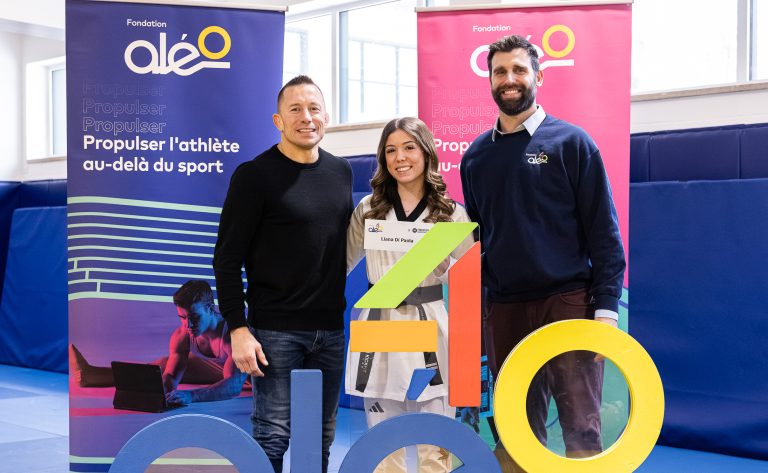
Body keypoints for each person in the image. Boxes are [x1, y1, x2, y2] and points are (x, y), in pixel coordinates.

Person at [459, 35, 627, 470]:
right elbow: (479, 244)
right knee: (514, 427)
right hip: (505, 309)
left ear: (538, 76)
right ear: (490, 80)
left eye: (518, 70)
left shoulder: (573, 143)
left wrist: (606, 310)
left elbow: (604, 234)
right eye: (500, 71)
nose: (509, 79)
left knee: (581, 427)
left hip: (568, 304)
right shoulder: (475, 157)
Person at [213, 75, 352, 473]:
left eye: (313, 109)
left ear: (327, 116)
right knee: (272, 433)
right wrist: (238, 328)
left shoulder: (342, 173)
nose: (306, 117)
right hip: (273, 332)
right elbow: (226, 259)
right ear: (278, 120)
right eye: (295, 109)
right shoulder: (254, 175)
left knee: (322, 435)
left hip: (330, 331)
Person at [346, 117, 474, 473]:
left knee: (437, 437)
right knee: (384, 439)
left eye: (408, 147)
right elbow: (338, 264)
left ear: (426, 152)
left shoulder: (450, 214)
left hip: (430, 325)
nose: (399, 157)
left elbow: (470, 278)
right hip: (381, 325)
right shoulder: (369, 210)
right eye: (390, 150)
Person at [69, 280, 248, 405]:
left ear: (210, 308)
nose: (188, 325)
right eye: (182, 318)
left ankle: (91, 375)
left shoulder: (232, 334)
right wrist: (163, 396)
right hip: (219, 369)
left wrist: (191, 396)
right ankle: (91, 375)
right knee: (162, 367)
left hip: (250, 380)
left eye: (194, 317)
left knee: (163, 366)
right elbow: (171, 378)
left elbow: (233, 385)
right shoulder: (182, 334)